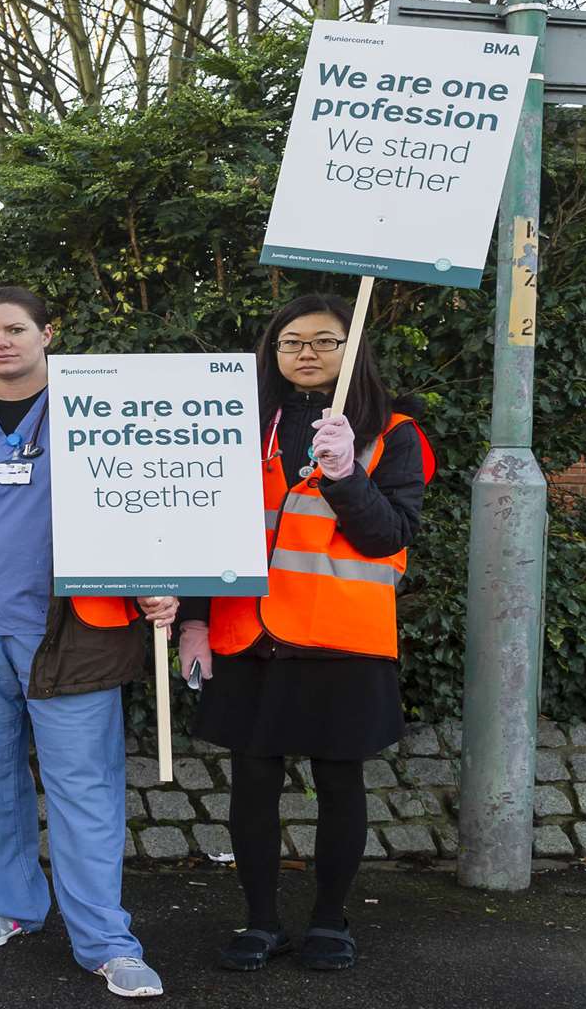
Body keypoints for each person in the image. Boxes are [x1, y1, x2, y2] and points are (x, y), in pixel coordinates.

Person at [0, 285, 172, 1000]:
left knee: (85, 787)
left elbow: (153, 497)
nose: (0, 342)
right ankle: (12, 905)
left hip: (72, 629)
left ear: (48, 333)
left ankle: (107, 940)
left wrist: (167, 579)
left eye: (15, 329)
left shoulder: (100, 407)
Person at [177, 293, 433, 973]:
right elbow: (210, 529)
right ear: (273, 352)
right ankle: (261, 921)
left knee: (339, 784)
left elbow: (389, 536)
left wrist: (348, 474)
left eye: (325, 341)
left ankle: (329, 920)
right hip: (248, 636)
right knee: (251, 786)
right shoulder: (239, 423)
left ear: (353, 352)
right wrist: (196, 620)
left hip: (341, 638)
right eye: (292, 342)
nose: (308, 353)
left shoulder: (395, 431)